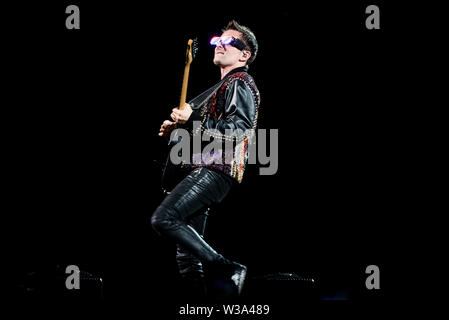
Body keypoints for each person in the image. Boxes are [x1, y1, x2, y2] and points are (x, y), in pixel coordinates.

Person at [151, 20, 260, 298]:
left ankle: (227, 267)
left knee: (164, 217)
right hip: (204, 167)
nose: (219, 44)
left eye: (228, 41)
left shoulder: (240, 82)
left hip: (215, 169)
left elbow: (239, 131)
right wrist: (177, 129)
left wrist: (194, 118)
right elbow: (205, 131)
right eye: (216, 40)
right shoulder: (220, 87)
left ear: (244, 55)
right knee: (186, 257)